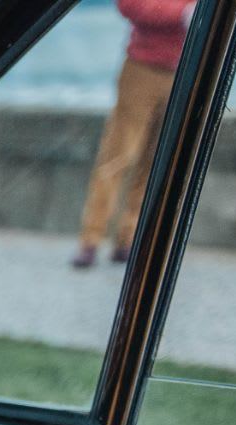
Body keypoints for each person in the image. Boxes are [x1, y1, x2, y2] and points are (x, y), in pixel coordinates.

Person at [74, 0, 194, 268]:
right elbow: (129, 4)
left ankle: (129, 239)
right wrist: (184, 13)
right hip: (143, 66)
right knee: (118, 155)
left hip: (189, 71)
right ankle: (90, 239)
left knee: (157, 161)